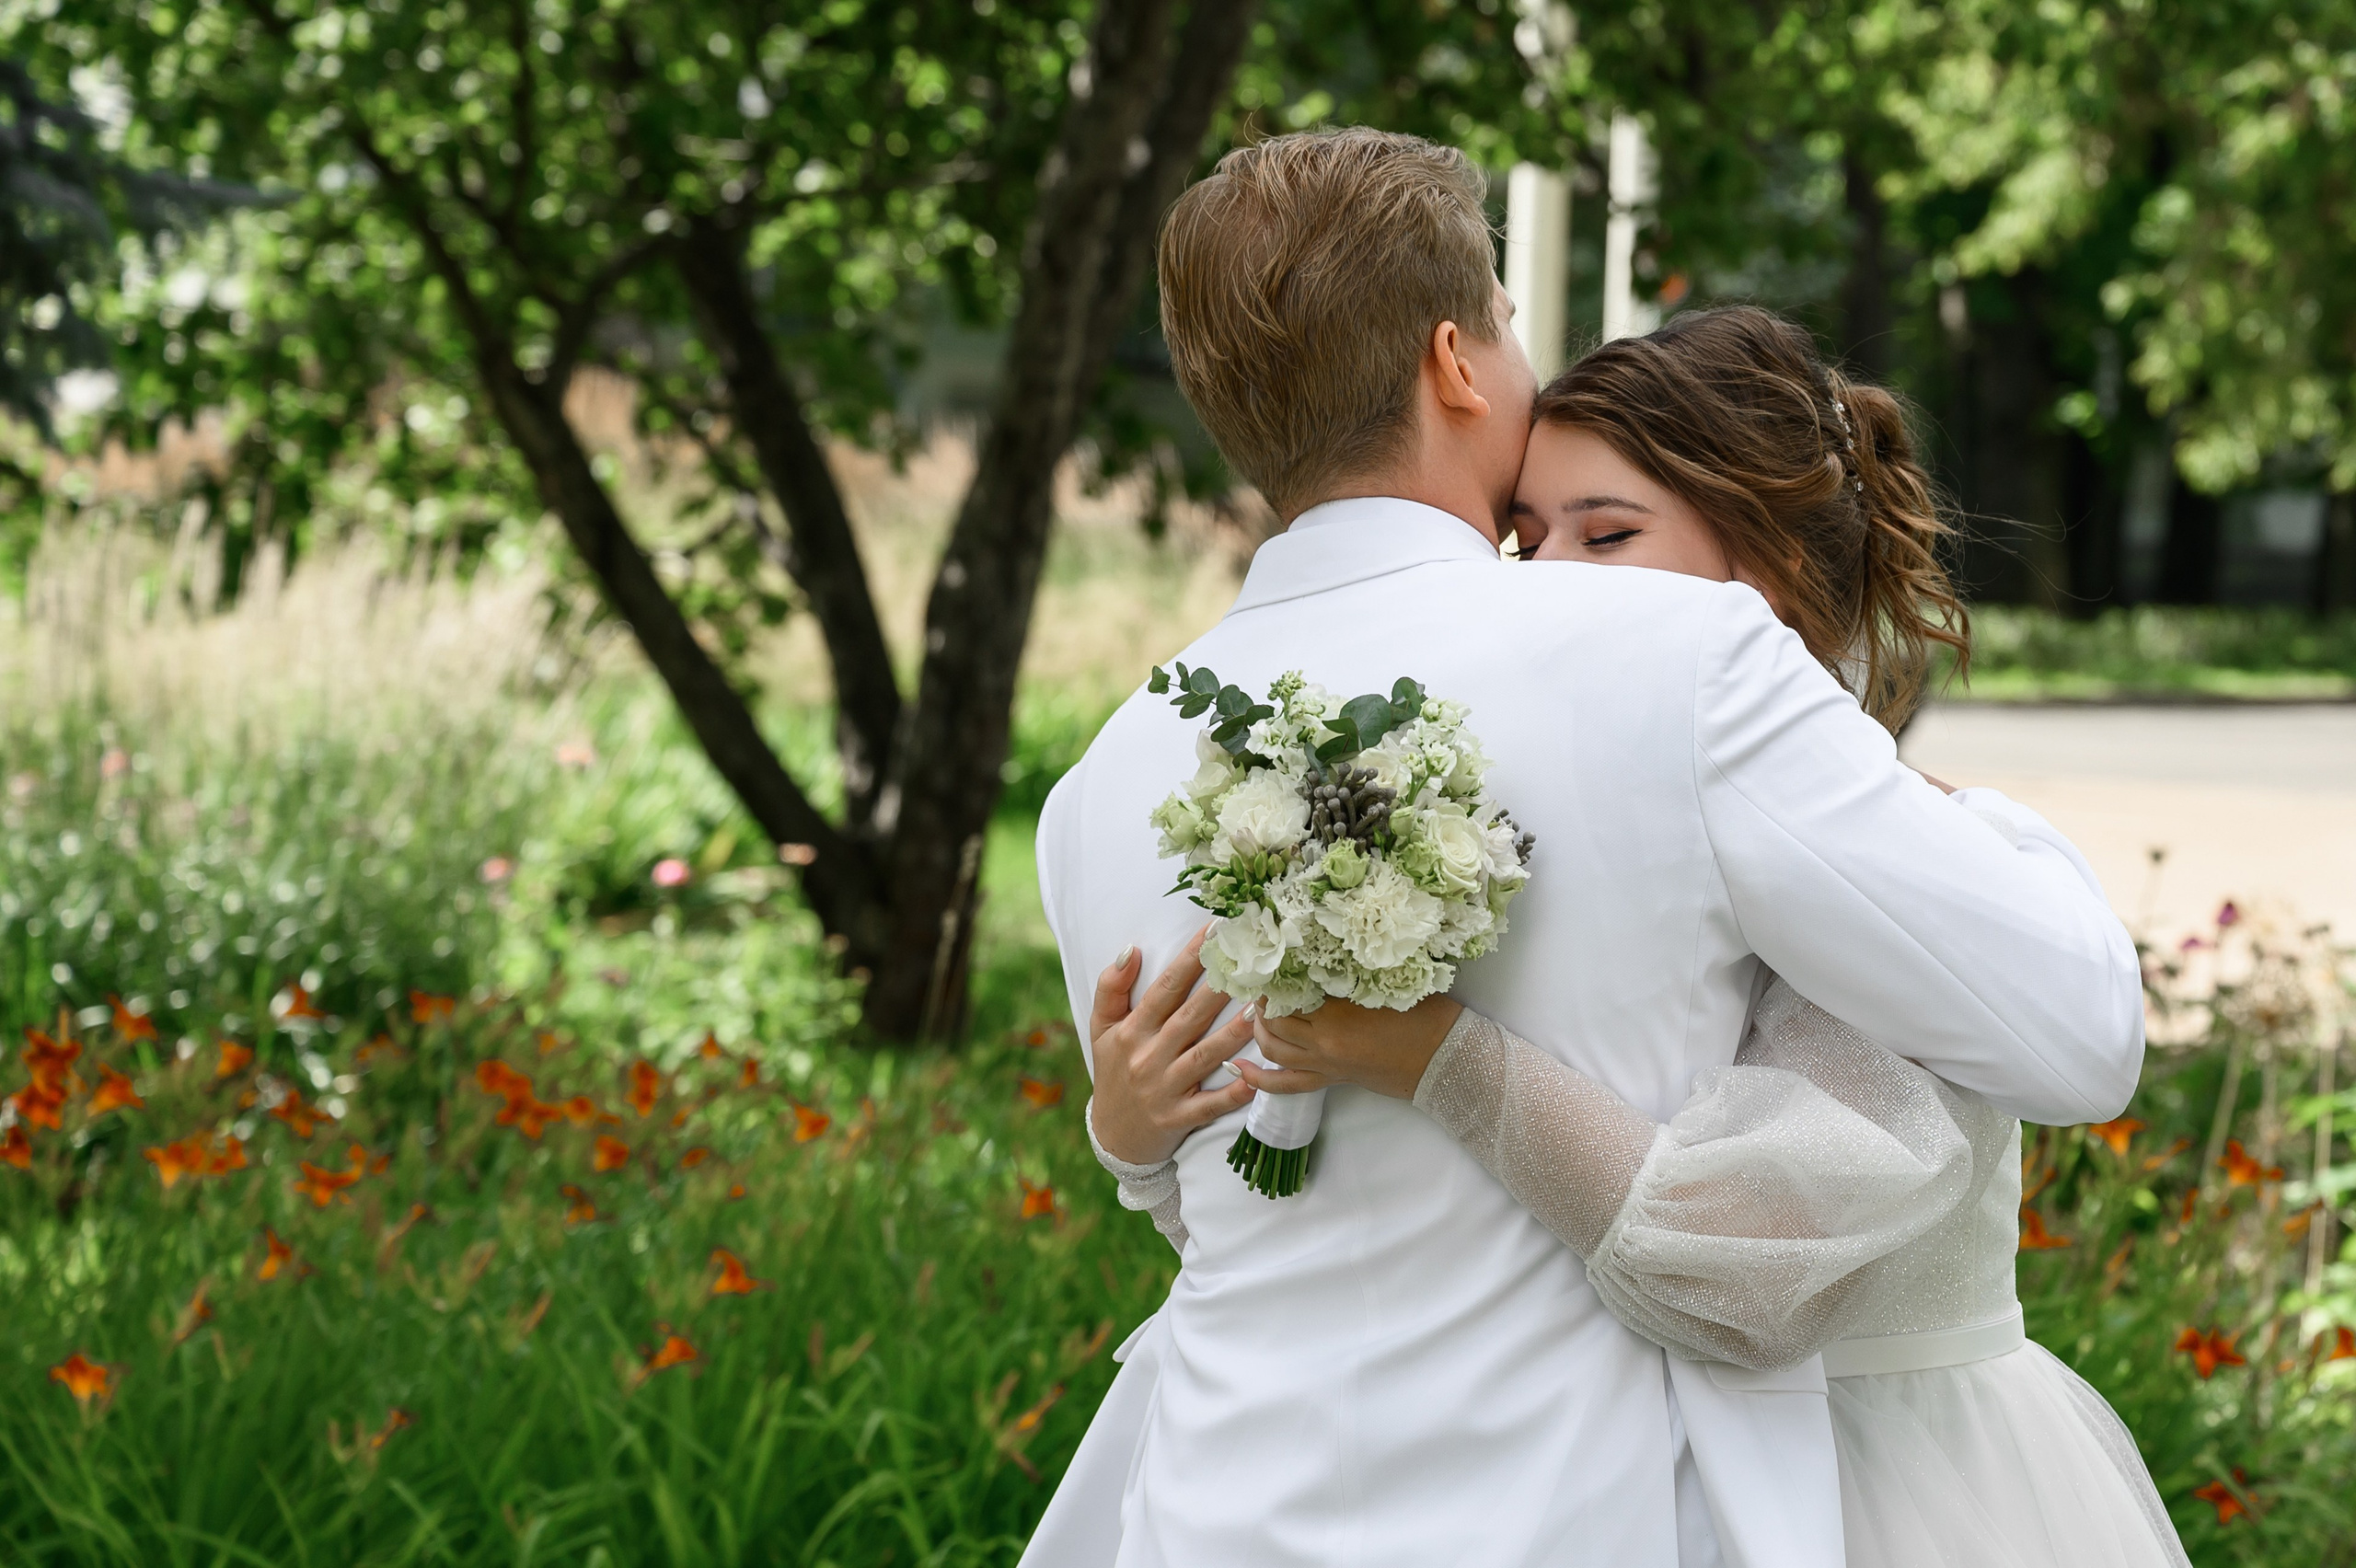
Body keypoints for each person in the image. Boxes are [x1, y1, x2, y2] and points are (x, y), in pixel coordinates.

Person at [1023, 128, 2144, 1568]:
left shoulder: (1098, 790)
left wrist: (1128, 1141)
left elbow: (1245, 1209)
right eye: (1506, 315)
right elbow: (2077, 1042)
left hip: (1214, 1515)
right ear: (1456, 361)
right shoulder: (1680, 659)